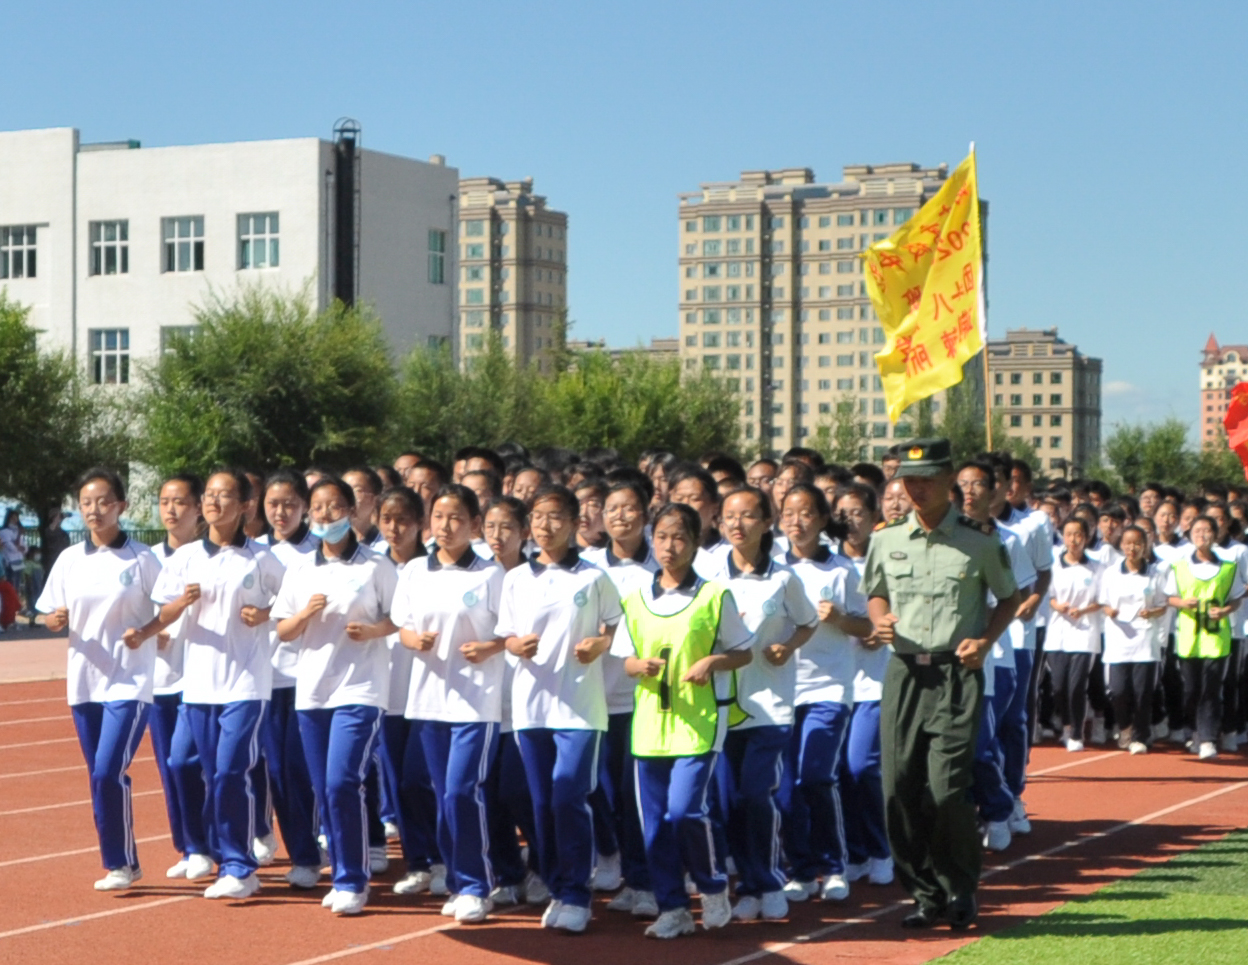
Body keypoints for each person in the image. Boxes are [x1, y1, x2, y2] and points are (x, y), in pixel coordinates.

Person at [862, 439, 1019, 930]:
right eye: (909, 480)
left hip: (956, 674)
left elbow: (1009, 599)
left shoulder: (980, 541)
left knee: (947, 790)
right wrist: (882, 619)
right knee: (898, 789)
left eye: (927, 478)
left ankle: (961, 887)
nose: (918, 488)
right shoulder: (886, 539)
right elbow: (876, 593)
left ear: (949, 479)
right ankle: (925, 893)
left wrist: (986, 641)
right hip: (905, 673)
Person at [612, 502, 752, 938]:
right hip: (650, 726)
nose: (669, 547)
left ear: (694, 544)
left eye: (679, 538)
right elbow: (625, 659)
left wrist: (713, 659)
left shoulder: (714, 595)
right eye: (663, 537)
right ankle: (672, 906)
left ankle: (711, 887)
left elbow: (744, 651)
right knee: (653, 824)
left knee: (685, 810)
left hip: (698, 722)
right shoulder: (636, 599)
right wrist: (639, 667)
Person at [152, 468, 286, 900]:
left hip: (246, 682)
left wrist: (265, 615)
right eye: (209, 495)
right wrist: (180, 603)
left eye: (225, 495)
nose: (214, 502)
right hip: (197, 684)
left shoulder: (262, 560)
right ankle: (206, 850)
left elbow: (291, 607)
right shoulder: (186, 557)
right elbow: (163, 615)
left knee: (230, 770)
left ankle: (240, 866)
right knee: (182, 763)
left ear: (246, 505)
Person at [495, 484, 622, 933]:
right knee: (542, 802)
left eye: (555, 518)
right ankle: (554, 884)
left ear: (573, 523)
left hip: (580, 709)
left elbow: (614, 630)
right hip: (530, 709)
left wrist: (598, 644)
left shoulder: (593, 577)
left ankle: (577, 892)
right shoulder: (515, 579)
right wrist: (516, 644)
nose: (545, 527)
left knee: (570, 794)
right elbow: (505, 636)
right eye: (538, 518)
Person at [272, 476, 398, 914]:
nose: (325, 516)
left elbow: (398, 619)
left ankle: (352, 879)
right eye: (319, 509)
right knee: (324, 788)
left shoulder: (376, 566)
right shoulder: (301, 570)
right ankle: (343, 866)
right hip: (312, 691)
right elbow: (283, 630)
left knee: (343, 780)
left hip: (361, 688)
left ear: (351, 511)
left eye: (334, 507)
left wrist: (374, 630)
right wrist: (306, 613)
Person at [36, 468, 162, 891]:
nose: (94, 510)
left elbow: (170, 609)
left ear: (121, 507)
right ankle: (122, 860)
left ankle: (121, 864)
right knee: (97, 775)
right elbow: (47, 612)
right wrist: (51, 619)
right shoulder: (70, 559)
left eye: (103, 502)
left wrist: (146, 632)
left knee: (109, 770)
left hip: (129, 682)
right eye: (86, 503)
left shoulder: (142, 558)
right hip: (84, 682)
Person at [392, 485, 507, 924]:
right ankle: (458, 880)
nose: (445, 526)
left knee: (462, 791)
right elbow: (402, 626)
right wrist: (412, 640)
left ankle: (479, 884)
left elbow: (509, 634)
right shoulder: (416, 571)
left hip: (476, 704)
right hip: (427, 701)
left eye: (456, 518)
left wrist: (490, 647)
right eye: (438, 517)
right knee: (442, 796)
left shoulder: (491, 575)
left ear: (474, 525)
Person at [706, 486, 818, 923]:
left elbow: (807, 623)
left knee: (756, 795)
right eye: (729, 516)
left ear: (766, 523)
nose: (737, 524)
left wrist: (788, 647)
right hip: (720, 705)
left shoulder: (784, 578)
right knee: (729, 801)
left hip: (769, 705)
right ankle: (748, 885)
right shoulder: (710, 576)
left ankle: (769, 880)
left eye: (748, 516)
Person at [777, 484, 871, 903]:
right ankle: (800, 868)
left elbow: (867, 629)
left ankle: (834, 866)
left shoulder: (841, 571)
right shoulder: (773, 568)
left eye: (806, 514)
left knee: (814, 774)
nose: (797, 522)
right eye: (789, 514)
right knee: (787, 786)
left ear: (820, 519)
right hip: (777, 691)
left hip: (828, 686)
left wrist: (840, 618)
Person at [582, 479, 660, 916]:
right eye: (611, 508)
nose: (619, 516)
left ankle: (643, 881)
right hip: (591, 696)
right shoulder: (591, 565)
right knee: (597, 789)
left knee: (635, 798)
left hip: (640, 699)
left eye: (629, 509)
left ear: (645, 515)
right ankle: (609, 855)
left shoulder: (661, 567)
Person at [255, 471, 323, 887]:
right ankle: (301, 851)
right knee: (276, 770)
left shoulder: (318, 553)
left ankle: (318, 846)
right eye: (273, 504)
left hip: (309, 675)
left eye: (290, 504)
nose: (280, 513)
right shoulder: (254, 552)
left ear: (304, 508)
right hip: (265, 675)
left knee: (304, 769)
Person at [480, 497, 547, 908]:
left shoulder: (534, 576)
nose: (497, 536)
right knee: (487, 792)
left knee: (520, 791)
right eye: (489, 527)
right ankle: (507, 873)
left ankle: (542, 864)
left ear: (524, 531)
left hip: (527, 701)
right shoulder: (476, 574)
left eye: (506, 527)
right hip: (481, 702)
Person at [151, 473, 213, 883]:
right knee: (170, 767)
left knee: (190, 761)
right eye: (165, 501)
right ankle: (189, 845)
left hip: (200, 675)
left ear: (198, 510)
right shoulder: (147, 556)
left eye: (180, 502)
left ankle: (211, 843)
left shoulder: (208, 555)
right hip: (157, 677)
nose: (171, 510)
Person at [832, 483, 893, 886]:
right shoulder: (828, 564)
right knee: (837, 773)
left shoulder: (887, 559)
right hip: (832, 682)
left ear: (874, 518)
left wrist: (883, 627)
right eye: (842, 512)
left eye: (857, 512)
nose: (850, 520)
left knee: (861, 766)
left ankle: (881, 848)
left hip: (873, 679)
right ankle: (852, 851)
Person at [1167, 515, 1243, 760]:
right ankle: (1194, 731)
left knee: (1211, 688)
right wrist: (1182, 603)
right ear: (1189, 534)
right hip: (1188, 637)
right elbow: (1169, 596)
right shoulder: (1179, 566)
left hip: (1216, 636)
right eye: (1197, 530)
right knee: (1191, 690)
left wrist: (1225, 610)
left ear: (1215, 534)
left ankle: (1208, 738)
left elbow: (1236, 596)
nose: (1201, 534)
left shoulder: (1229, 567)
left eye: (1207, 530)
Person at [1101, 525, 1170, 754]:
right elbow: (1103, 601)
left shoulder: (1155, 573)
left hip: (1145, 638)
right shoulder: (1111, 572)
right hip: (1118, 638)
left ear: (1145, 546)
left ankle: (1141, 735)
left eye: (1138, 543)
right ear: (1122, 545)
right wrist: (1109, 610)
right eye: (1128, 543)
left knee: (1143, 691)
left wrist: (1152, 613)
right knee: (1118, 690)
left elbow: (1163, 605)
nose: (1133, 548)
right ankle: (1125, 727)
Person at [1047, 517, 1105, 753]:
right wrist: (1057, 606)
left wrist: (1083, 610)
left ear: (1087, 537)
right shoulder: (1054, 566)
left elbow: (1101, 600)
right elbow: (1048, 595)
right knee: (1059, 685)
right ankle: (1066, 724)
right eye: (1069, 534)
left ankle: (1076, 733)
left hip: (1085, 633)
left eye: (1078, 534)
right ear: (1063, 536)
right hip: (1057, 633)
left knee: (1076, 685)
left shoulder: (1097, 568)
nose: (1073, 539)